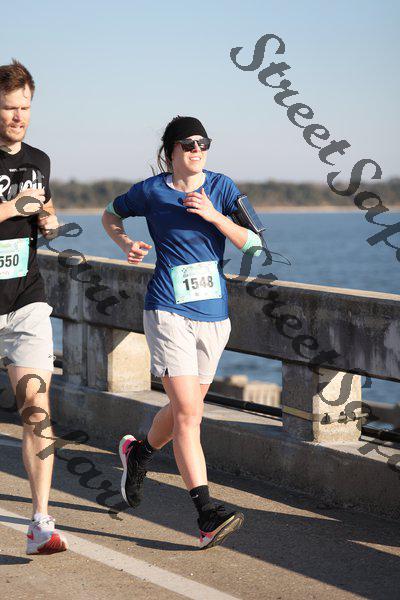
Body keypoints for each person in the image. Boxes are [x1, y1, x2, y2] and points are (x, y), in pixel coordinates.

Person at [102, 115, 263, 549]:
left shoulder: (223, 187)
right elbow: (110, 214)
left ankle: (139, 453)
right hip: (167, 310)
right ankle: (206, 513)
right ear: (171, 150)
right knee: (190, 414)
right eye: (188, 144)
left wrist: (214, 215)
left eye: (203, 143)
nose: (197, 150)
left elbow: (255, 244)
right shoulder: (151, 191)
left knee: (182, 410)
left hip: (214, 315)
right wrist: (125, 243)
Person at [0, 60, 67, 554]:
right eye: (8, 108)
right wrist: (13, 207)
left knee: (36, 408)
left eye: (24, 107)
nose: (17, 117)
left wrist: (48, 220)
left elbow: (46, 213)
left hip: (26, 300)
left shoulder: (40, 160)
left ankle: (40, 521)